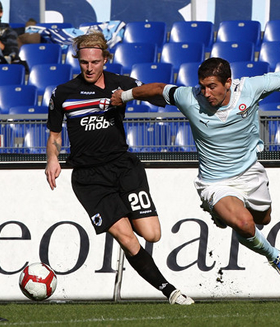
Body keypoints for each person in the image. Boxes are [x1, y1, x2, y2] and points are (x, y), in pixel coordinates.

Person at [111, 56, 280, 284]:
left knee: (262, 219)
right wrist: (124, 96)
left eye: (212, 86)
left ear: (228, 83)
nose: (206, 92)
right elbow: (157, 88)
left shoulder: (250, 89)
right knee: (244, 224)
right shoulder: (189, 98)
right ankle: (275, 256)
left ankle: (222, 215)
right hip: (214, 182)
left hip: (250, 173)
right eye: (202, 86)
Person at [45, 31, 193, 305]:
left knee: (152, 234)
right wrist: (51, 158)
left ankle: (125, 214)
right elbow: (54, 137)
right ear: (79, 60)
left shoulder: (120, 85)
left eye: (95, 62)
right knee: (126, 237)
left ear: (105, 60)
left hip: (124, 169)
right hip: (89, 179)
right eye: (84, 62)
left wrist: (140, 96)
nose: (89, 67)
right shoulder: (63, 93)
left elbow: (153, 91)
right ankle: (170, 291)